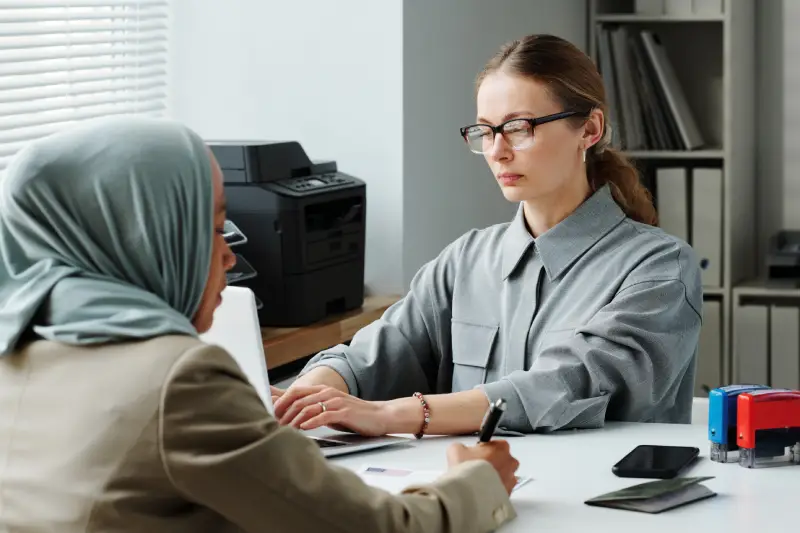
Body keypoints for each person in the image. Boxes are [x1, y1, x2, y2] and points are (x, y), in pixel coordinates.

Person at [0, 116, 519, 533]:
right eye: (210, 226)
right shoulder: (177, 378)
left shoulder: (17, 355)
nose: (229, 256)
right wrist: (477, 482)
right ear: (141, 238)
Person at [273, 34, 703, 438]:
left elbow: (568, 383)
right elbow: (375, 354)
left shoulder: (661, 268)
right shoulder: (466, 260)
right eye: (485, 131)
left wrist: (394, 414)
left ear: (589, 130)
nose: (497, 150)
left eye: (519, 128)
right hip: (475, 496)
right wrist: (309, 394)